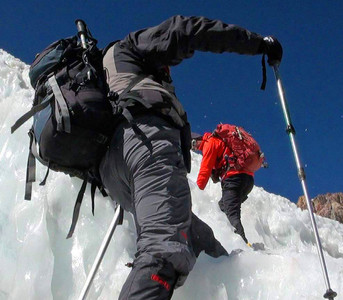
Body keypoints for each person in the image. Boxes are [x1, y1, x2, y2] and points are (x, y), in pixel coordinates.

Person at [98, 15, 282, 299]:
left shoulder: (104, 76)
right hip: (146, 142)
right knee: (164, 251)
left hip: (113, 168)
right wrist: (257, 44)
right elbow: (186, 30)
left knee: (202, 243)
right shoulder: (133, 47)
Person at [192, 131, 261, 246]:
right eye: (193, 148)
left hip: (234, 178)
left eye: (193, 144)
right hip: (247, 180)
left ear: (198, 139)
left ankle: (244, 246)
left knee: (231, 212)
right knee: (223, 206)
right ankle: (233, 241)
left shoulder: (209, 142)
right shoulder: (218, 142)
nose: (195, 148)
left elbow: (204, 170)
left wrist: (196, 192)